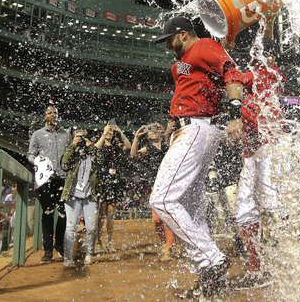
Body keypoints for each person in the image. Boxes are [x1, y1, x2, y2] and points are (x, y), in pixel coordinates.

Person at [149, 16, 244, 298]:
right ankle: (209, 275)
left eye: (168, 40)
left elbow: (232, 71)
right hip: (189, 129)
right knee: (191, 208)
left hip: (199, 128)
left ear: (182, 35)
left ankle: (212, 259)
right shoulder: (181, 63)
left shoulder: (202, 46)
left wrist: (236, 114)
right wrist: (170, 125)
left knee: (162, 199)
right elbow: (184, 92)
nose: (166, 46)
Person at [234, 36, 287, 289]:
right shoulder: (268, 73)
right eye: (255, 53)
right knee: (247, 209)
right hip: (256, 150)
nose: (256, 58)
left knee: (274, 205)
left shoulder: (266, 73)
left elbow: (236, 82)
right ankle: (256, 269)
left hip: (267, 148)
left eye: (260, 53)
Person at [28, 105, 71, 263]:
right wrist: (39, 163)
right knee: (47, 213)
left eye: (56, 112)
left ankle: (59, 245)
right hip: (45, 179)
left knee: (63, 213)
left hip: (63, 178)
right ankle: (47, 251)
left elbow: (70, 153)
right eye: (50, 113)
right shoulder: (37, 134)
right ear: (44, 117)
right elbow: (30, 155)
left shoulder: (66, 134)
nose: (54, 115)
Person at [61, 129, 105, 268]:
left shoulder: (93, 153)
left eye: (84, 136)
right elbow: (65, 163)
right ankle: (68, 258)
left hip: (89, 196)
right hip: (73, 195)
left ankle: (89, 254)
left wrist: (91, 147)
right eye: (79, 136)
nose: (82, 139)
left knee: (91, 228)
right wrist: (73, 144)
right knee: (70, 227)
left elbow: (100, 162)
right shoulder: (72, 151)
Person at [131, 123, 174, 261]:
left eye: (155, 130)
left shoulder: (168, 143)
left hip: (171, 184)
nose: (153, 132)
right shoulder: (148, 148)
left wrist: (166, 132)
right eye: (150, 131)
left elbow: (173, 142)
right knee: (156, 220)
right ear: (147, 135)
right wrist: (136, 138)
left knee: (169, 218)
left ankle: (168, 248)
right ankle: (164, 242)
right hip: (156, 185)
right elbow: (134, 154)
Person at [96, 121, 131, 253]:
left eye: (111, 131)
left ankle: (109, 242)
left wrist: (120, 131)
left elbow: (128, 146)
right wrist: (104, 133)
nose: (109, 132)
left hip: (115, 179)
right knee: (102, 211)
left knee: (111, 212)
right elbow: (95, 148)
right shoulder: (100, 144)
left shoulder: (117, 146)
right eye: (107, 130)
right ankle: (98, 242)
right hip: (103, 179)